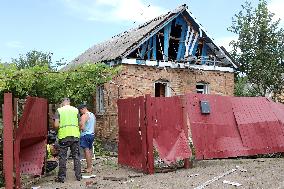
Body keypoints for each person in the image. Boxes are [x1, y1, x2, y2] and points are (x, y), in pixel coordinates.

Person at [53, 98, 81, 183]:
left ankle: (61, 177)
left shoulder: (59, 110)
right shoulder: (76, 110)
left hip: (64, 136)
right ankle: (78, 176)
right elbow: (80, 124)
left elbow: (56, 124)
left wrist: (58, 129)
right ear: (69, 103)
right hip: (75, 136)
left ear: (62, 103)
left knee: (63, 157)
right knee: (76, 156)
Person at [78, 104, 96, 173]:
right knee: (90, 150)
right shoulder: (93, 115)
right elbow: (94, 126)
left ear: (83, 109)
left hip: (85, 135)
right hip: (91, 134)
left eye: (80, 111)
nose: (80, 112)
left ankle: (89, 168)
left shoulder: (84, 116)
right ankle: (90, 166)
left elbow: (82, 127)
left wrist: (78, 127)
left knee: (86, 151)